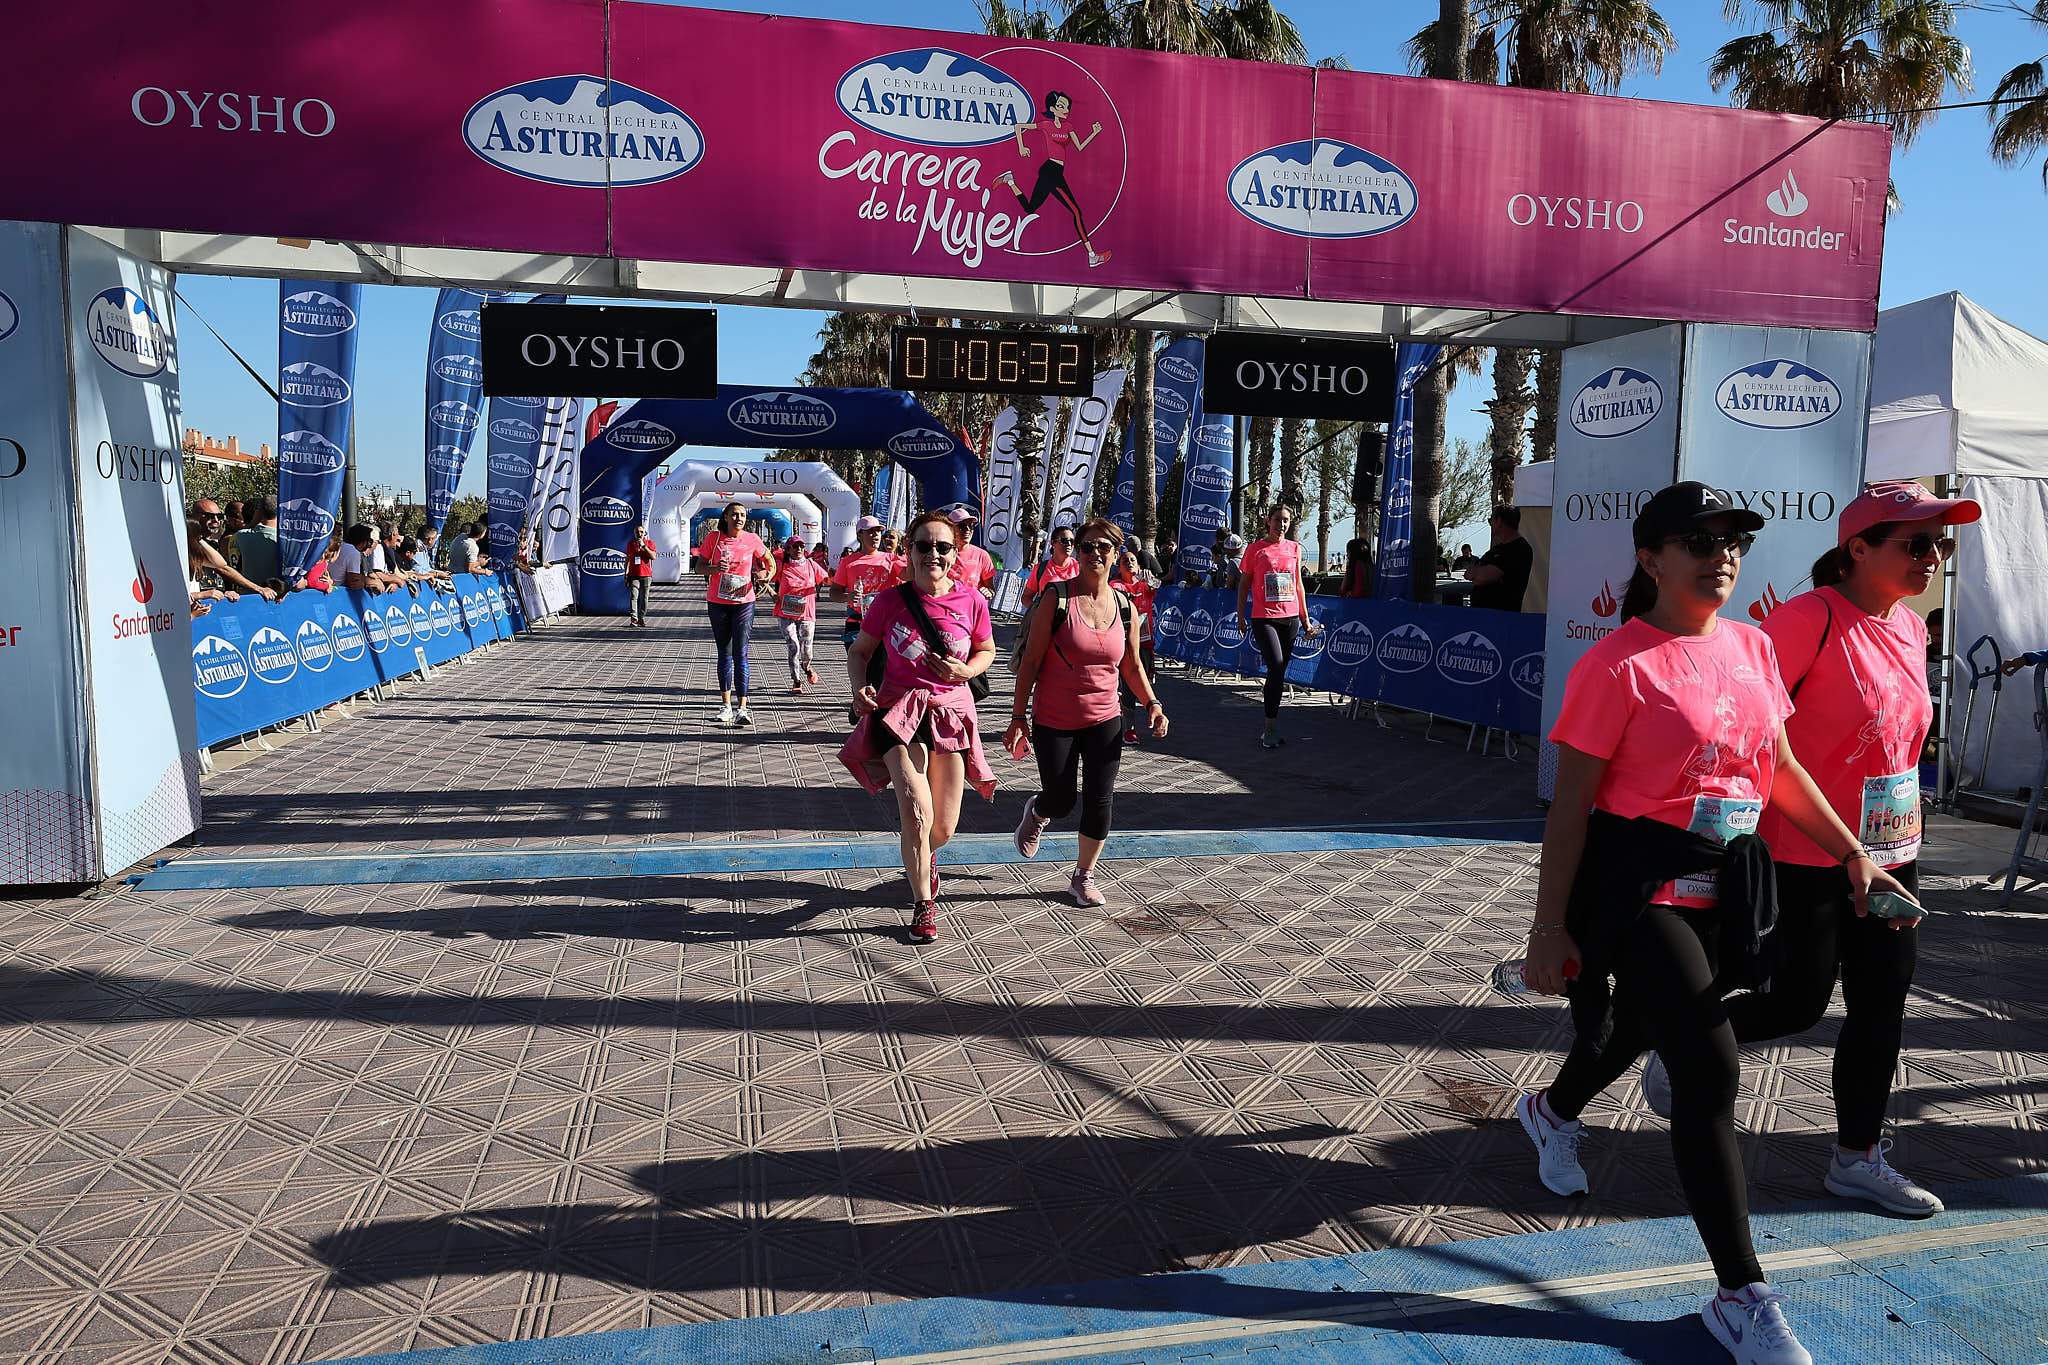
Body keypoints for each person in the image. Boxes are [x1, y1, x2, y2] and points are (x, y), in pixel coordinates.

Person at [1517, 482, 1914, 1365]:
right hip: (1639, 883)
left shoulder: (1750, 647)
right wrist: (1551, 927)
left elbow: (1778, 769)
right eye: (1696, 539)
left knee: (1649, 1028)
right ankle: (1742, 1293)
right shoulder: (1616, 664)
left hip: (1731, 883)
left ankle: (1551, 1108)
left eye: (1732, 538)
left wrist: (1852, 851)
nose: (1720, 553)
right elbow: (1571, 809)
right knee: (1708, 1060)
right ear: (1651, 558)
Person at [1629, 482, 1978, 1220]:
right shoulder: (1809, 619)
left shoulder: (1912, 628)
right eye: (1916, 543)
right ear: (1859, 547)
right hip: (1801, 851)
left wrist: (1894, 838)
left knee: (1882, 1003)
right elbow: (1750, 725)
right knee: (1795, 1000)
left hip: (1889, 852)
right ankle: (1682, 1044)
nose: (1932, 557)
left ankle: (1857, 1158)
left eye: (1939, 545)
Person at [839, 510, 998, 944]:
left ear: (955, 552)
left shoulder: (972, 600)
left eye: (942, 547)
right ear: (908, 551)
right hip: (900, 714)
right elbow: (860, 652)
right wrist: (860, 689)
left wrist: (966, 670)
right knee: (916, 810)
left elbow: (987, 649)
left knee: (942, 827)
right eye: (923, 546)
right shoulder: (890, 601)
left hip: (951, 715)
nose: (933, 554)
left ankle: (926, 859)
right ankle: (923, 905)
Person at [1007, 517, 1168, 907]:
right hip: (1054, 719)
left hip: (1105, 719)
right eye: (1087, 547)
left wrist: (1152, 704)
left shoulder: (1125, 605)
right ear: (1076, 553)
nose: (1095, 553)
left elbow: (1131, 664)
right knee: (1062, 800)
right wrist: (1017, 718)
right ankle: (1039, 811)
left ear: (1115, 555)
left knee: (1100, 798)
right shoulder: (1056, 598)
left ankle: (1082, 876)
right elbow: (1030, 661)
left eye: (1104, 548)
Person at [995, 90, 1112, 268]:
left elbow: (1079, 147)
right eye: (1061, 106)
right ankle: (1091, 255)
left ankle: (1010, 180)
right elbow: (1019, 127)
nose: (1065, 109)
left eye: (1067, 107)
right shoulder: (1046, 125)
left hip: (1055, 172)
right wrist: (1021, 146)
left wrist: (1094, 133)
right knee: (1076, 212)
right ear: (1052, 108)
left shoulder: (1068, 127)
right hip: (1051, 171)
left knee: (1029, 208)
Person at [1237, 505, 1319, 750]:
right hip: (1264, 618)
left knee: (1279, 672)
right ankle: (1269, 728)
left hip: (1290, 617)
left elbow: (1298, 586)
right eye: (1277, 520)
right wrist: (1241, 615)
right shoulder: (1255, 549)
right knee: (1275, 664)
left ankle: (1271, 726)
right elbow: (1243, 585)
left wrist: (1305, 620)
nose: (1281, 525)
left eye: (1286, 521)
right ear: (1268, 521)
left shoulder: (1294, 548)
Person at [697, 502, 774, 726]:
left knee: (741, 653)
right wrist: (713, 569)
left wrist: (764, 573)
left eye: (742, 515)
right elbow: (699, 567)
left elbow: (769, 563)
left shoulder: (752, 539)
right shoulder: (714, 538)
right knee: (724, 653)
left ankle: (743, 708)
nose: (739, 518)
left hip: (744, 602)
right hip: (718, 603)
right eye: (734, 515)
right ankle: (726, 706)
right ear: (726, 517)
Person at [1111, 545, 1158, 743]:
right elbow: (1123, 597)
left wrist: (1150, 581)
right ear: (1119, 568)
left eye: (1132, 560)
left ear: (1138, 566)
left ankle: (1149, 714)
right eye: (1125, 561)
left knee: (1144, 682)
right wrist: (1139, 584)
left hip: (1145, 641)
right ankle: (1128, 729)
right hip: (1123, 641)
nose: (1129, 563)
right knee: (1130, 687)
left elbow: (1156, 587)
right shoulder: (1116, 585)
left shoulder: (1145, 584)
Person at [189, 499, 278, 601]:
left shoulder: (208, 543)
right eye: (210, 516)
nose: (216, 520)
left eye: (219, 517)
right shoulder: (189, 544)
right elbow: (223, 569)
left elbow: (222, 564)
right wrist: (258, 588)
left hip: (216, 601)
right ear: (194, 516)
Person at [833, 516, 900, 650]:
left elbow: (911, 577)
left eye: (878, 531)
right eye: (870, 531)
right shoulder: (848, 562)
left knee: (881, 670)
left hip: (885, 623)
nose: (875, 535)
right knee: (859, 670)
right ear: (859, 535)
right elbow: (834, 593)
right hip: (857, 625)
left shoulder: (892, 559)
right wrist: (848, 597)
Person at [772, 536, 827, 692]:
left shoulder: (811, 564)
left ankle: (807, 667)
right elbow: (767, 576)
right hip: (785, 612)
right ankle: (796, 681)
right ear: (788, 549)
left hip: (807, 613)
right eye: (795, 547)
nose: (798, 549)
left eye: (801, 546)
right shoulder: (782, 565)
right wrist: (768, 586)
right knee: (793, 646)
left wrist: (841, 578)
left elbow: (828, 579)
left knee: (806, 651)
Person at [1466, 505, 1534, 612]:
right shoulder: (1495, 550)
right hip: (1481, 615)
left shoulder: (1520, 549)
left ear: (1498, 521)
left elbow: (1484, 576)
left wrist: (1479, 574)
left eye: (1491, 520)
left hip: (1502, 617)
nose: (1491, 524)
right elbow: (1470, 573)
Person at [947, 506, 997, 601]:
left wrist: (988, 592)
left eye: (970, 526)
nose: (967, 530)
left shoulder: (982, 555)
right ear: (950, 529)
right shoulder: (941, 554)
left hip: (973, 611)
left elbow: (991, 590)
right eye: (961, 526)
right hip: (949, 609)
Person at [1022, 528, 1079, 607]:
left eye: (1072, 541)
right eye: (1064, 540)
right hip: (1045, 617)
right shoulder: (1040, 568)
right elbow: (1026, 597)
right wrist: (1037, 609)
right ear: (1053, 543)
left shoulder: (1079, 568)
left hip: (1071, 618)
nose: (1069, 544)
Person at [233, 497, 281, 586]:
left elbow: (246, 528)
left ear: (258, 513)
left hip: (250, 593)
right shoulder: (285, 540)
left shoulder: (242, 536)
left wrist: (255, 519)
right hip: (278, 593)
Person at [627, 524, 657, 627]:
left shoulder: (650, 543)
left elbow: (653, 556)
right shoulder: (631, 544)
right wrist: (625, 573)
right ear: (634, 533)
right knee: (633, 596)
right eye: (637, 532)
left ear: (645, 533)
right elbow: (628, 558)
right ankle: (634, 619)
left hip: (646, 575)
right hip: (633, 574)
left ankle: (641, 617)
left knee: (644, 598)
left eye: (641, 532)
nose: (639, 534)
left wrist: (644, 546)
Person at [337, 524, 378, 593]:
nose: (370, 545)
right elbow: (354, 581)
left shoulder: (341, 546)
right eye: (369, 541)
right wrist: (374, 583)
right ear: (364, 541)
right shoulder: (353, 552)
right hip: (339, 593)